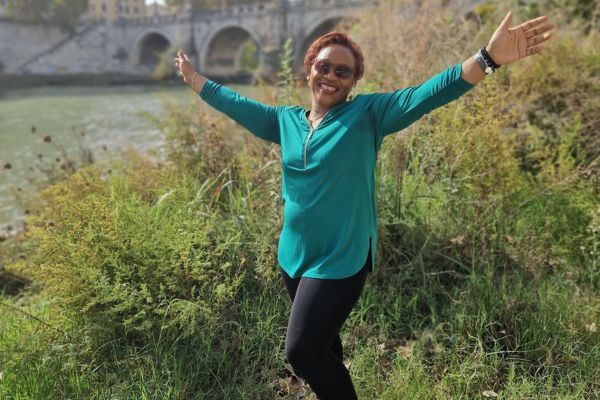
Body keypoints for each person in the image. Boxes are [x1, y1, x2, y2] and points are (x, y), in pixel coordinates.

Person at [174, 11, 553, 400]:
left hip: (341, 258)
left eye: (343, 72)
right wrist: (194, 80)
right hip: (294, 257)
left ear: (354, 82)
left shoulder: (368, 115)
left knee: (302, 352)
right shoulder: (284, 121)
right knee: (324, 349)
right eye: (324, 66)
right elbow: (235, 103)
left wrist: (486, 59)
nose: (331, 77)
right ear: (309, 69)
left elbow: (430, 93)